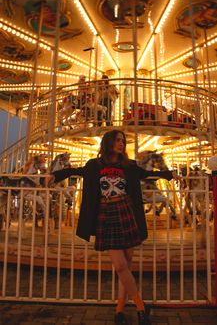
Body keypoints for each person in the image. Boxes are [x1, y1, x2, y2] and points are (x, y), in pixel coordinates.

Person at [47, 130, 180, 325]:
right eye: (117, 140)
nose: (121, 143)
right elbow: (76, 171)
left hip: (126, 211)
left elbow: (146, 174)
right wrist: (55, 175)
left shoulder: (128, 165)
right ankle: (141, 306)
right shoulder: (95, 165)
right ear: (108, 142)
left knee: (125, 265)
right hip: (106, 214)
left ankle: (119, 310)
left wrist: (168, 174)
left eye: (123, 141)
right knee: (119, 265)